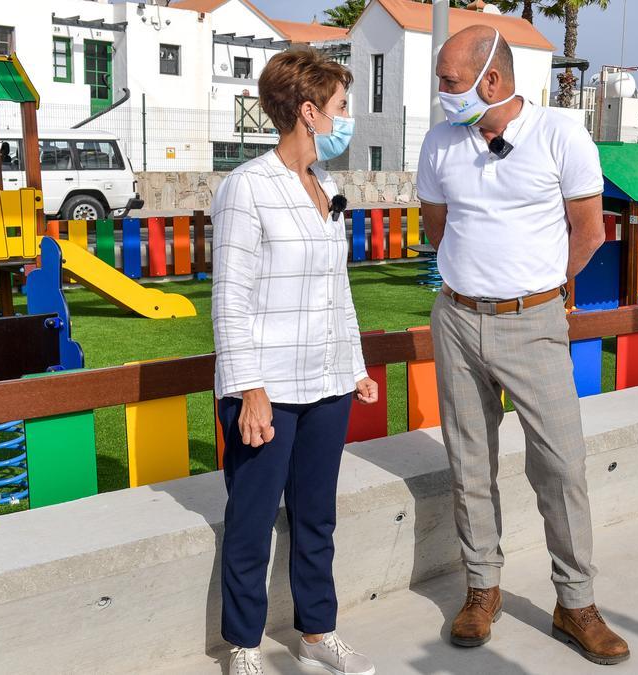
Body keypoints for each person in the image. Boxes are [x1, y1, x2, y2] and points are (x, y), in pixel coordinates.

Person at [417, 26, 630, 666]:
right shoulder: (439, 142)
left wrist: (535, 291)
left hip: (534, 323)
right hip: (455, 319)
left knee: (561, 466)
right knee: (469, 464)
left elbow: (588, 233)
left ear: (492, 80)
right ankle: (482, 591)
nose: (441, 95)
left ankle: (576, 602)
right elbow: (439, 228)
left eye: (450, 83)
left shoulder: (561, 133)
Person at [211, 49, 378, 675]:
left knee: (317, 517)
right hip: (268, 390)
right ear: (308, 113)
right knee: (252, 523)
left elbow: (338, 291)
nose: (346, 118)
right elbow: (229, 299)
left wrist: (354, 365)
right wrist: (250, 389)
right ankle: (245, 646)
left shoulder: (327, 188)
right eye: (340, 107)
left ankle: (316, 633)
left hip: (327, 385)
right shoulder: (247, 187)